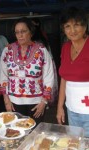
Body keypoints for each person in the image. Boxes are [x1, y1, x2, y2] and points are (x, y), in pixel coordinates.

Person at [0, 17, 54, 125]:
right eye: (17, 32)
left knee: (35, 132)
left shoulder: (41, 50)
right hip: (14, 102)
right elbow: (2, 76)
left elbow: (49, 76)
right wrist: (6, 100)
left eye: (23, 31)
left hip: (37, 103)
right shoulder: (8, 51)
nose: (20, 35)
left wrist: (44, 101)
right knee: (17, 131)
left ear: (31, 32)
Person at [57, 7, 89, 137]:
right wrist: (60, 107)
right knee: (75, 142)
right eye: (67, 26)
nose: (72, 30)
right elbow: (64, 78)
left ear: (85, 26)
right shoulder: (66, 47)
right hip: (72, 109)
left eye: (76, 25)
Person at [32, 18, 58, 105]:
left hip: (40, 63)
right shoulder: (43, 34)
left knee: (42, 82)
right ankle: (46, 100)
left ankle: (43, 101)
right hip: (48, 60)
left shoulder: (34, 39)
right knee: (47, 80)